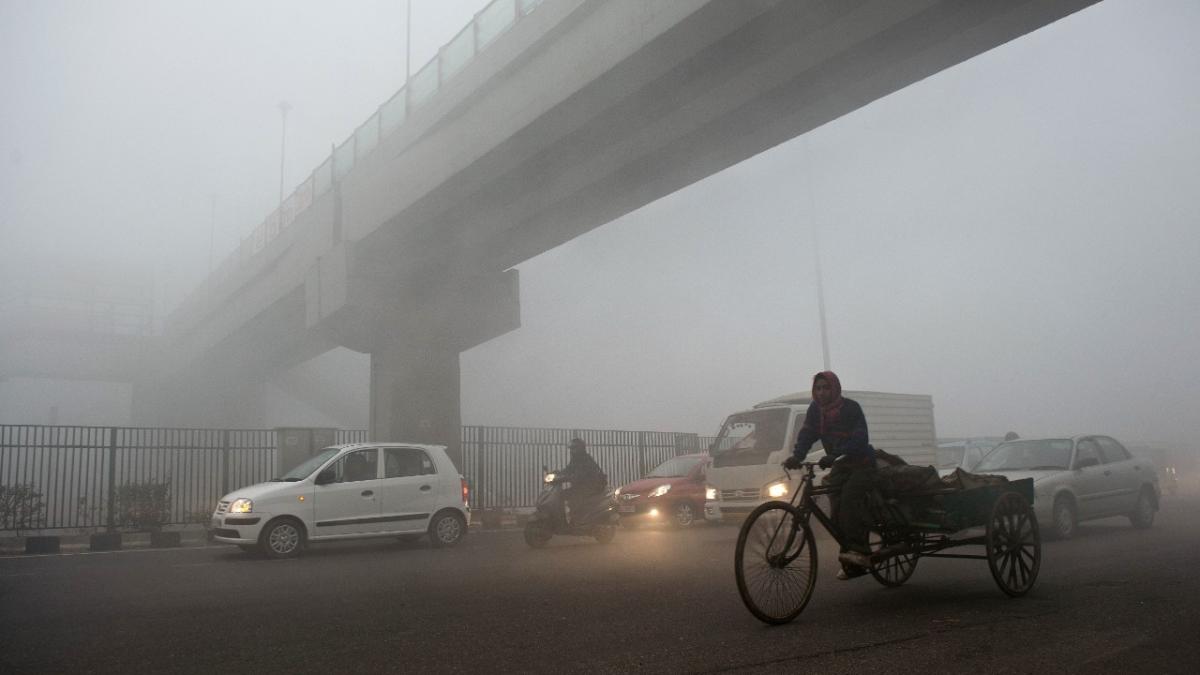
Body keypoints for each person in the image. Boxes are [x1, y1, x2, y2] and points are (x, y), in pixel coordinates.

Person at [783, 371, 875, 578]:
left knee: (850, 500)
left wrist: (835, 455)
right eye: (818, 388)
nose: (822, 392)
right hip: (841, 467)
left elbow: (860, 439)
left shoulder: (851, 408)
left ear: (835, 388)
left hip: (862, 464)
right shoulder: (816, 410)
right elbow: (807, 434)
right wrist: (796, 457)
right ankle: (848, 556)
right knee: (835, 509)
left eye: (826, 388)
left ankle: (860, 552)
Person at [558, 438, 607, 526]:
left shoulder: (586, 459)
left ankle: (576, 519)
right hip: (581, 486)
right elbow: (568, 469)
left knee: (575, 497)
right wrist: (557, 474)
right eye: (571, 448)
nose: (572, 450)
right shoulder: (575, 460)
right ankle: (562, 518)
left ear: (581, 448)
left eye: (574, 448)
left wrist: (573, 477)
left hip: (592, 486)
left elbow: (583, 473)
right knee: (560, 495)